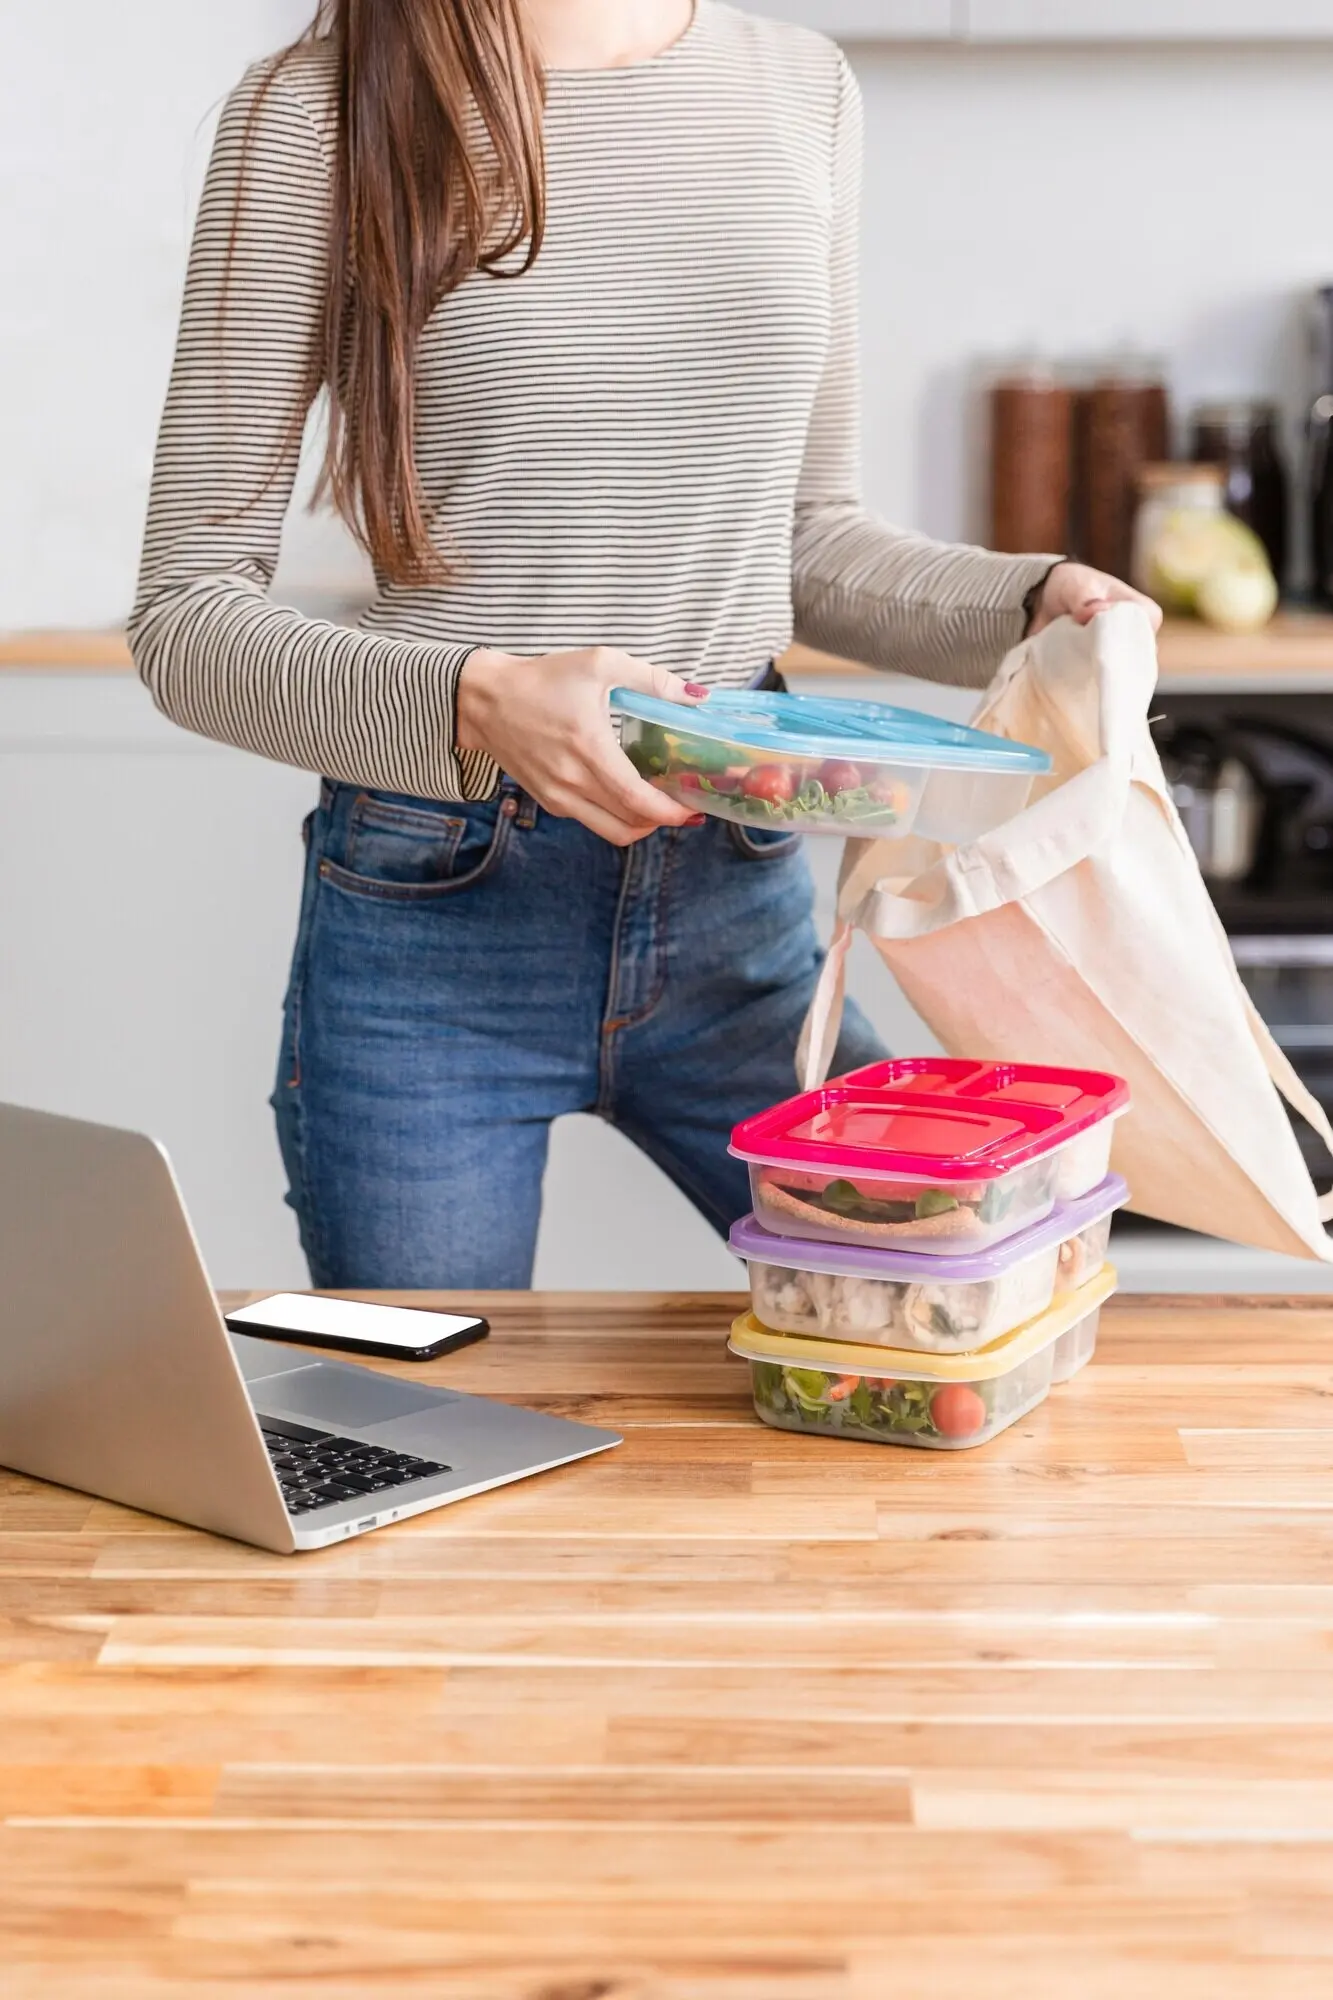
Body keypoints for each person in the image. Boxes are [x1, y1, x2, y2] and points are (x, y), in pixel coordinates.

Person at [129, 0, 1159, 1288]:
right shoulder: (315, 107)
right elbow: (186, 615)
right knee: (443, 1435)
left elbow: (803, 542)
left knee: (943, 1333)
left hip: (742, 903)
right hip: (435, 919)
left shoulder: (801, 88)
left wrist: (1039, 598)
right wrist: (478, 698)